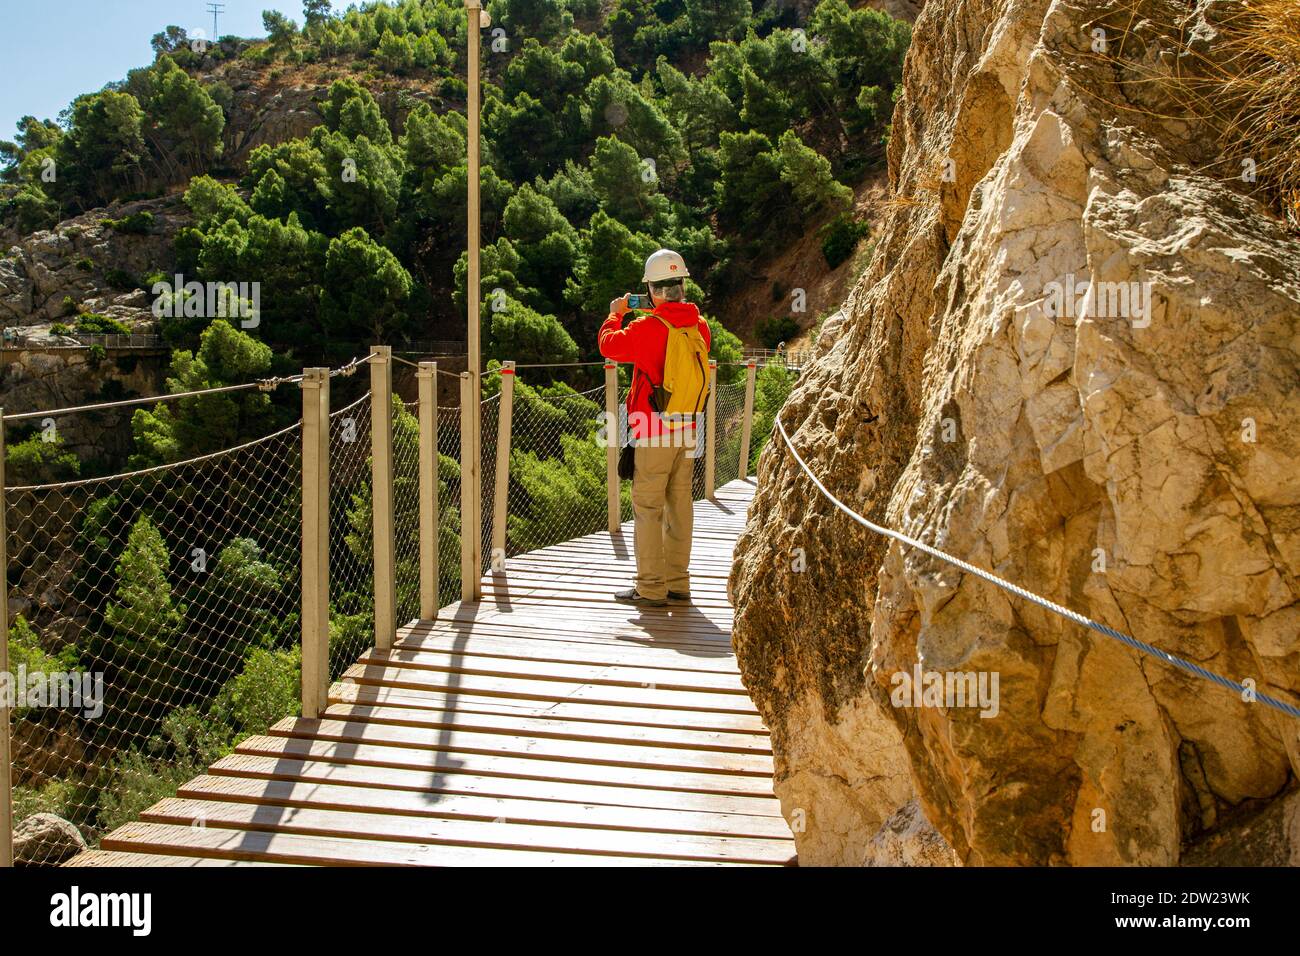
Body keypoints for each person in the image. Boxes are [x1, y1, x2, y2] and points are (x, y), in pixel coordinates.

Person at [597, 249, 711, 608]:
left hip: (653, 427)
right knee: (680, 505)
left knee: (648, 508)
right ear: (681, 285)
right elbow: (670, 324)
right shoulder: (699, 326)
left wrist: (616, 315)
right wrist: (650, 310)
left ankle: (649, 588)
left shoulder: (645, 328)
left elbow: (609, 346)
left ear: (653, 291)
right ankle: (678, 583)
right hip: (688, 425)